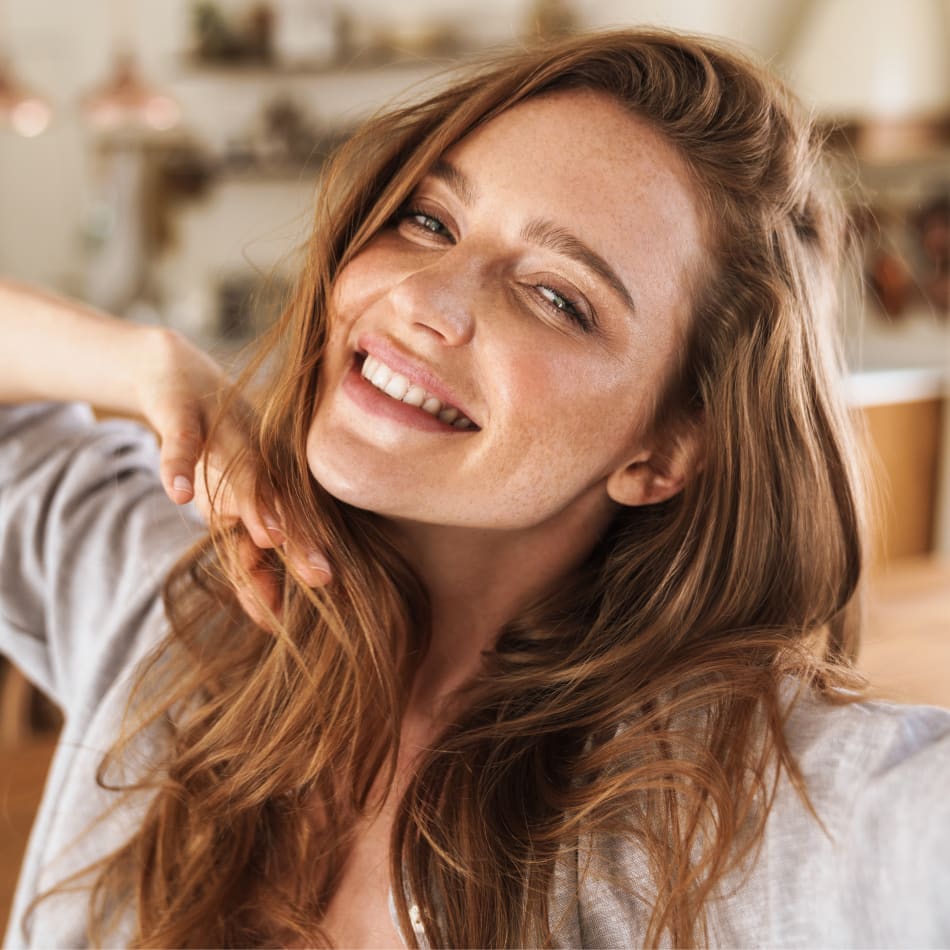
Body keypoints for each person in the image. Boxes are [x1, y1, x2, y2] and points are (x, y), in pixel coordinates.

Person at [1, 27, 949, 949]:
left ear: (663, 450)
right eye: (429, 221)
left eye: (557, 297)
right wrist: (145, 363)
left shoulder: (748, 813)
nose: (422, 298)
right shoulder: (179, 599)